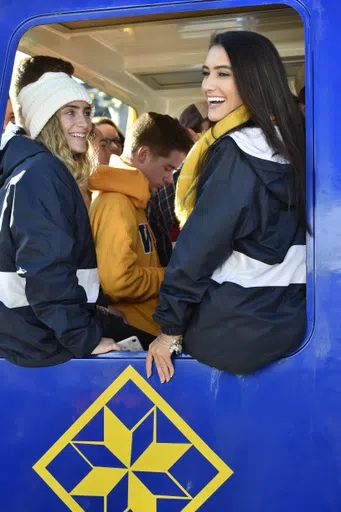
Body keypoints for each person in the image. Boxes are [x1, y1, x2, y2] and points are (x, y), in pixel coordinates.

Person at [146, 30, 307, 382]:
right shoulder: (294, 145)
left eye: (223, 73)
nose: (208, 85)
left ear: (253, 78)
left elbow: (200, 247)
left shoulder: (236, 150)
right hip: (290, 324)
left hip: (232, 333)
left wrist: (169, 330)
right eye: (206, 73)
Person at [0, 70, 123, 367]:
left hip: (37, 338)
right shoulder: (41, 174)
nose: (84, 124)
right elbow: (45, 269)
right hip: (42, 346)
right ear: (45, 120)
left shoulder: (35, 170)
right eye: (69, 113)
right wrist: (84, 337)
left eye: (86, 112)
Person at [89, 112, 193, 336]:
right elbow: (117, 282)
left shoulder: (133, 202)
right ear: (143, 154)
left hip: (145, 327)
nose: (168, 179)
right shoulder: (116, 203)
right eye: (167, 168)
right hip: (135, 332)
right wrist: (170, 275)